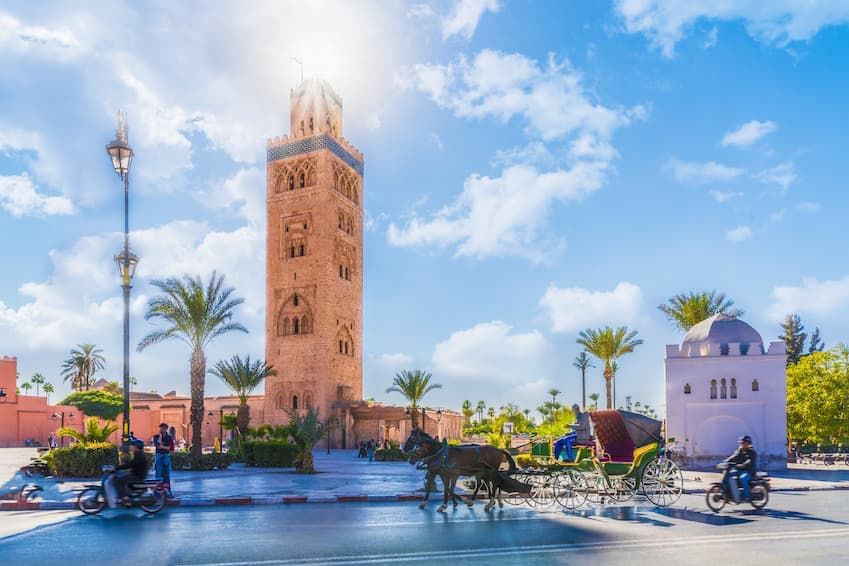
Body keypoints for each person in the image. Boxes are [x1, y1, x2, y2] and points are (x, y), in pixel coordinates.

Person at [113, 439, 150, 504]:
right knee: (122, 476)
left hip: (137, 476)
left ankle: (125, 499)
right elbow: (133, 465)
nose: (130, 447)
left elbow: (130, 464)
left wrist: (117, 468)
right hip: (137, 474)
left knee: (119, 481)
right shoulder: (139, 453)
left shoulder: (139, 455)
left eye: (132, 445)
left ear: (136, 447)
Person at [723, 435, 757, 502]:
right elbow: (733, 457)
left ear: (748, 443)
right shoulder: (739, 451)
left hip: (749, 471)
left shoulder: (752, 452)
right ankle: (730, 494)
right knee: (728, 476)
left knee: (742, 478)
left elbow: (749, 461)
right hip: (738, 470)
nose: (742, 444)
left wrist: (743, 465)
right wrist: (725, 462)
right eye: (741, 443)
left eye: (743, 442)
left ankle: (747, 496)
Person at [152, 423, 175, 497]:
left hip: (166, 457)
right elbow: (158, 446)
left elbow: (172, 449)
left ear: (166, 429)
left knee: (166, 475)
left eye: (163, 428)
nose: (161, 429)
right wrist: (160, 437)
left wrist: (163, 447)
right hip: (159, 456)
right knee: (158, 475)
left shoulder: (169, 438)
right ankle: (157, 492)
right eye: (160, 428)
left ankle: (168, 491)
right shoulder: (156, 437)